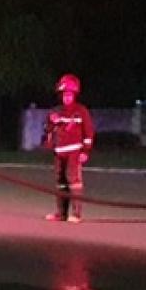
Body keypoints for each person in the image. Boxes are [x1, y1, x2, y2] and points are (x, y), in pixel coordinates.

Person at [41, 73, 95, 223]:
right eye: (64, 94)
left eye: (70, 94)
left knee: (74, 181)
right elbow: (47, 130)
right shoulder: (55, 111)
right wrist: (51, 123)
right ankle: (61, 213)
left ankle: (76, 214)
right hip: (59, 152)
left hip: (74, 151)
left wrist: (85, 151)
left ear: (75, 95)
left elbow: (89, 132)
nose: (67, 97)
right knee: (60, 182)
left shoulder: (81, 111)